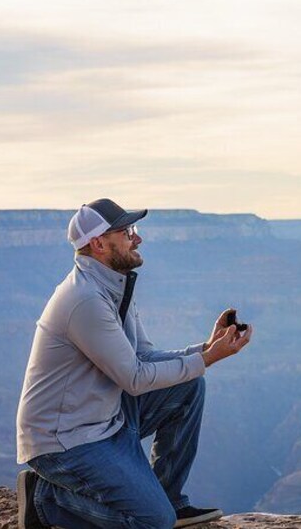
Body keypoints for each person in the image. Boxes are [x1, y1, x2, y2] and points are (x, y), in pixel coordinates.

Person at [16, 198, 252, 528]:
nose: (137, 238)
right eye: (128, 231)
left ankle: (170, 498)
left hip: (103, 416)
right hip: (65, 440)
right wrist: (207, 359)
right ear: (98, 244)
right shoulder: (84, 300)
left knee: (188, 386)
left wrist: (205, 348)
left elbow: (143, 357)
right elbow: (136, 378)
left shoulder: (113, 285)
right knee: (153, 522)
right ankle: (48, 500)